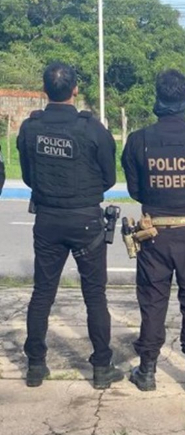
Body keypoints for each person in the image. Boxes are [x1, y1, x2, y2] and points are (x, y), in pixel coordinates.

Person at [17, 62, 122, 389]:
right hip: (85, 220)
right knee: (95, 296)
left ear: (44, 90)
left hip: (48, 218)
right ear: (75, 89)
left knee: (42, 293)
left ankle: (36, 365)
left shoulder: (30, 128)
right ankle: (102, 368)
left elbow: (28, 176)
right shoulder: (92, 129)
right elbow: (109, 177)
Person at [121, 69, 185, 393]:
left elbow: (135, 190)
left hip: (154, 233)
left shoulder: (138, 140)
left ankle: (147, 371)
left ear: (158, 97)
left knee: (152, 300)